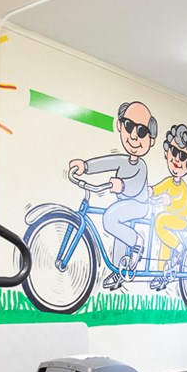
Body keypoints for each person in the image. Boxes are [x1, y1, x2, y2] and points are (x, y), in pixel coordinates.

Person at [69, 101, 157, 290]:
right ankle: (120, 270)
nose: (134, 135)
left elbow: (135, 185)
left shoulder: (141, 165)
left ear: (151, 140)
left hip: (139, 205)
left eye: (142, 132)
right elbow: (107, 162)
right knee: (119, 233)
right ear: (120, 125)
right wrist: (85, 166)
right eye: (129, 126)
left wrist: (121, 185)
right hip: (125, 204)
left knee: (110, 217)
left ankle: (137, 242)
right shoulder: (123, 160)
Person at [149, 123, 187, 290]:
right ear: (167, 152)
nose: (177, 159)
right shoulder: (169, 181)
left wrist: (170, 201)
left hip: (180, 219)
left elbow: (180, 199)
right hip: (170, 221)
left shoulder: (181, 186)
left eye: (183, 156)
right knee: (164, 246)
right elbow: (158, 188)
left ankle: (178, 249)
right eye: (174, 152)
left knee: (160, 221)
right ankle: (162, 274)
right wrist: (149, 191)